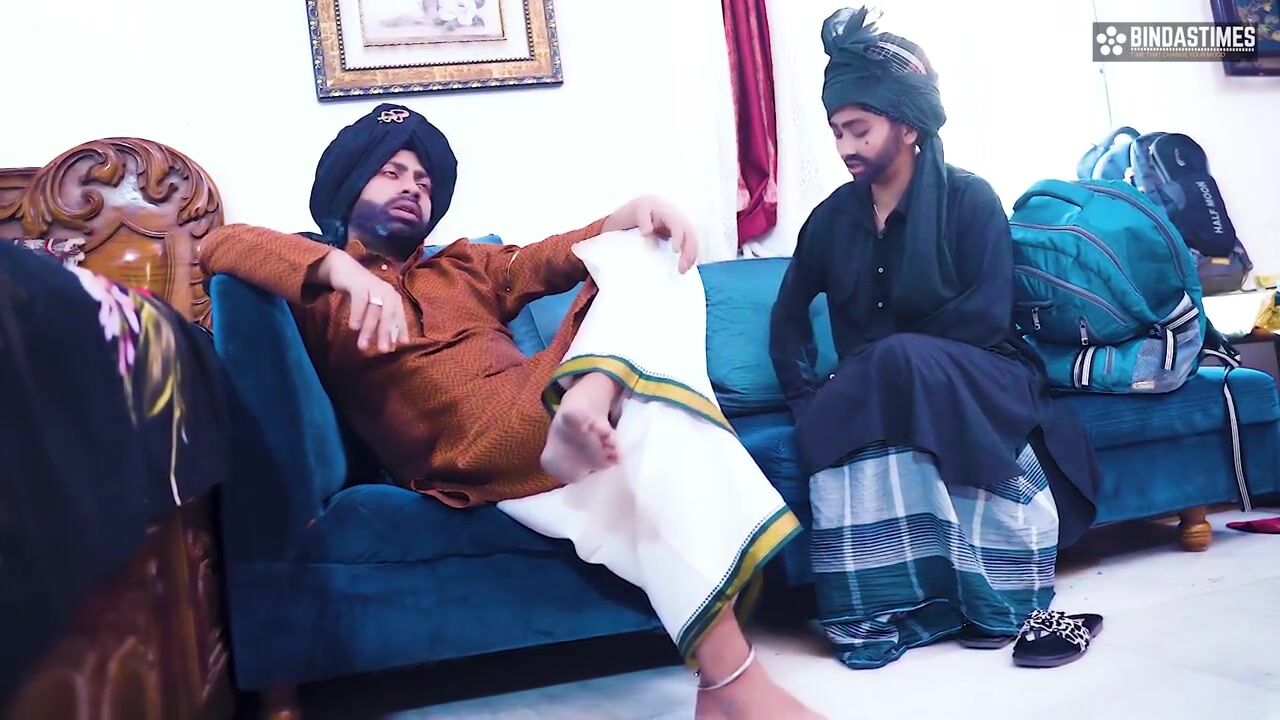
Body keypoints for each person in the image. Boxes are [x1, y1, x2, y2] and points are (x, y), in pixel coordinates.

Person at [199, 104, 819, 719]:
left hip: (535, 399)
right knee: (660, 422)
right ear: (347, 184)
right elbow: (221, 245)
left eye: (424, 181)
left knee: (647, 256)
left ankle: (591, 398)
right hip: (463, 446)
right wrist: (342, 270)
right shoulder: (315, 286)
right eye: (392, 173)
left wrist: (636, 212)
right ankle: (732, 683)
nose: (413, 188)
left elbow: (561, 254)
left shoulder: (466, 265)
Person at [769, 8, 1101, 670]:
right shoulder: (830, 220)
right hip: (877, 387)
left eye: (859, 129)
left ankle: (1001, 599)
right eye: (836, 131)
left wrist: (882, 364)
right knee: (871, 387)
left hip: (984, 374)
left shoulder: (969, 199)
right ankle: (899, 604)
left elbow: (986, 317)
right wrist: (807, 399)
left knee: (895, 362)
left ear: (908, 125)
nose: (845, 146)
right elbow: (788, 320)